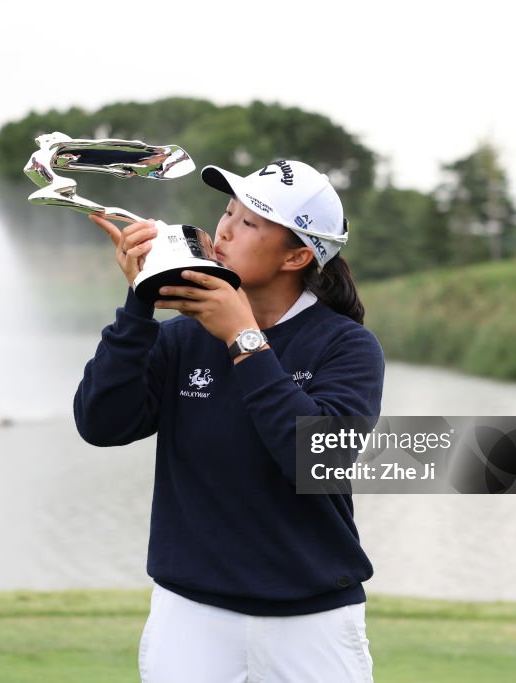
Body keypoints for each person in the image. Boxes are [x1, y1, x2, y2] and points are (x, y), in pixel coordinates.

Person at [75, 158, 384, 683]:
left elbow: (316, 458)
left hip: (311, 621)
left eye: (250, 222)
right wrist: (139, 303)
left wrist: (244, 339)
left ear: (297, 256)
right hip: (191, 616)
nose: (223, 230)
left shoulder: (346, 346)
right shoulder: (179, 338)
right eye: (227, 212)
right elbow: (101, 424)